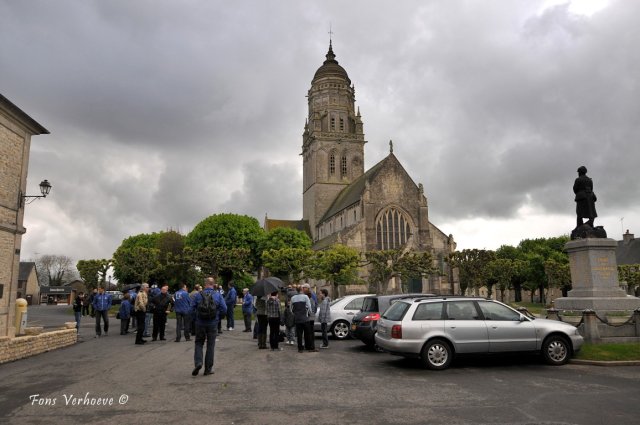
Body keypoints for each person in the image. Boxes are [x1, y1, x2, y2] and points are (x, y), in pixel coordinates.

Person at [191, 277, 227, 376]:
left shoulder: (198, 295)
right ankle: (208, 369)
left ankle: (198, 362)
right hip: (212, 323)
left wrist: (196, 319)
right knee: (210, 345)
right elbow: (224, 309)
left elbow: (191, 309)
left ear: (205, 284)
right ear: (213, 284)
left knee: (198, 343)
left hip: (200, 323)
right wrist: (218, 318)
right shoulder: (218, 295)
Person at [291, 285, 314, 353]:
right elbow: (309, 307)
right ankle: (309, 347)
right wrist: (310, 313)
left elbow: (291, 308)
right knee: (308, 333)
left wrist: (294, 314)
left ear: (296, 290)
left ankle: (300, 348)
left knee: (299, 334)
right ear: (301, 289)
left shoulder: (293, 298)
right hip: (305, 318)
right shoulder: (305, 297)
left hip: (297, 318)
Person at [303, 284, 318, 351]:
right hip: (309, 316)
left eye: (304, 288)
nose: (303, 289)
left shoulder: (311, 296)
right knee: (307, 331)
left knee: (310, 331)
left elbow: (313, 306)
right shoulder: (309, 295)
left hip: (310, 316)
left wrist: (311, 313)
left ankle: (311, 346)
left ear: (307, 288)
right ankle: (308, 346)